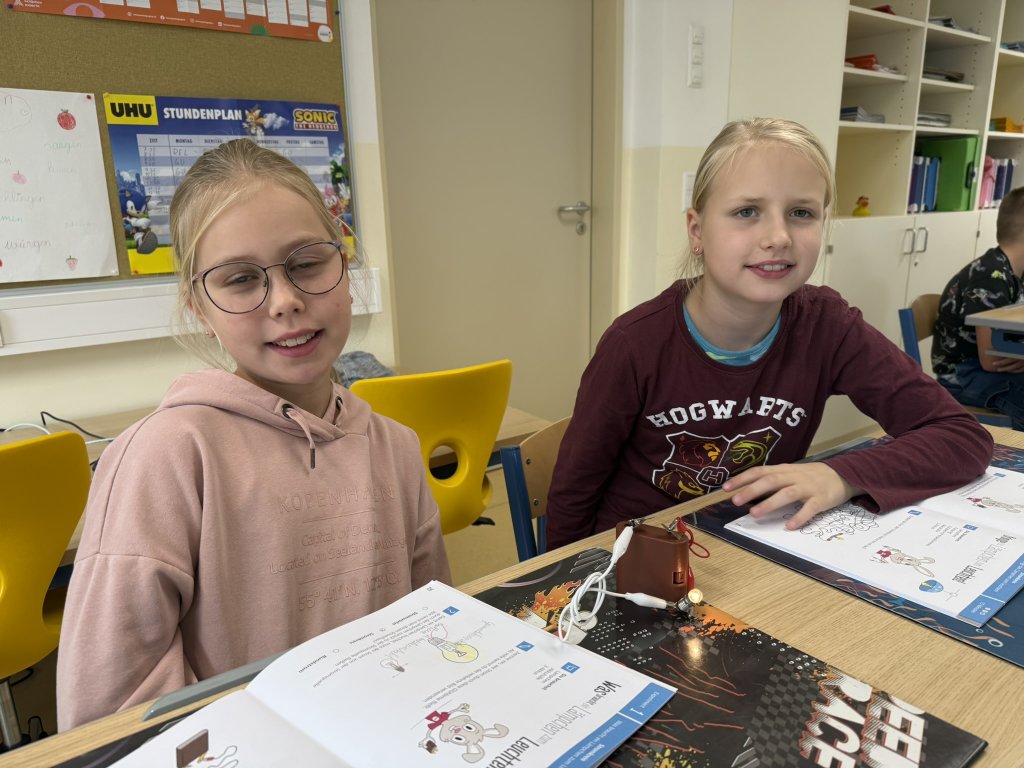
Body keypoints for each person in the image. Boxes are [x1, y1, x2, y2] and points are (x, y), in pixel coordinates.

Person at [57, 139, 451, 730]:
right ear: (199, 307)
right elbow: (109, 712)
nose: (286, 301)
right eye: (241, 279)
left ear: (345, 267)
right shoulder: (165, 458)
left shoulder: (394, 446)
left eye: (307, 263)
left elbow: (435, 631)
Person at [546, 117, 994, 549]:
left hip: (754, 543)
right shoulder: (634, 344)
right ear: (697, 231)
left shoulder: (828, 326)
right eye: (746, 211)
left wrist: (841, 474)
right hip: (641, 555)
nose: (778, 236)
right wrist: (566, 580)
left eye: (801, 212)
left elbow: (960, 435)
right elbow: (573, 491)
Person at [932, 187, 1024, 428]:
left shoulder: (1015, 273)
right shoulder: (990, 276)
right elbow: (990, 359)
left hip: (991, 370)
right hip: (964, 374)